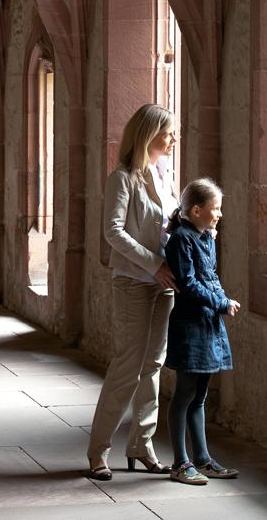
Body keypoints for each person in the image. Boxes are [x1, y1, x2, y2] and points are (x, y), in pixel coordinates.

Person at [85, 104, 180, 481]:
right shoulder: (122, 178)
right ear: (149, 134)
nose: (173, 139)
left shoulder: (166, 173)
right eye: (168, 132)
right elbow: (113, 232)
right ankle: (99, 449)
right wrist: (152, 264)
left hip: (166, 284)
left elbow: (169, 222)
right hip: (133, 282)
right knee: (127, 366)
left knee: (154, 365)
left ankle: (142, 444)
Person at [164, 177, 241, 485]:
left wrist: (224, 299)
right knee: (184, 394)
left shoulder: (206, 236)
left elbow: (210, 276)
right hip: (190, 325)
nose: (219, 213)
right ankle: (180, 463)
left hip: (209, 322)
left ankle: (203, 459)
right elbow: (188, 284)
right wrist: (219, 302)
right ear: (196, 210)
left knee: (199, 396)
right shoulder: (181, 238)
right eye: (215, 208)